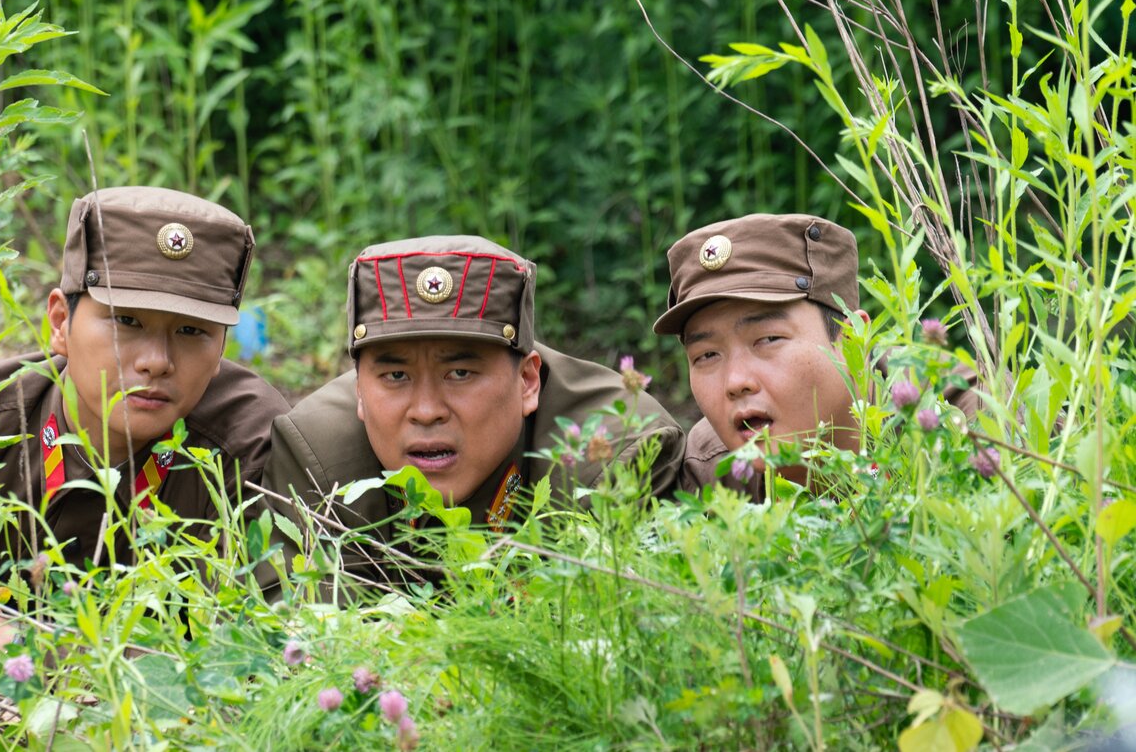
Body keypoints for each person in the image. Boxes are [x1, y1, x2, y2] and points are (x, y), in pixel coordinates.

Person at [257, 234, 684, 602]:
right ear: (359, 390)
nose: (427, 411)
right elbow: (307, 640)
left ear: (528, 381)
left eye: (460, 373)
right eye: (396, 376)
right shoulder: (319, 458)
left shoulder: (615, 456)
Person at [0, 186, 289, 577]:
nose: (157, 362)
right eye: (126, 321)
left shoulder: (250, 453)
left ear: (222, 348)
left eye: (191, 330)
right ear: (60, 323)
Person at [654, 213, 977, 501]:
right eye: (707, 355)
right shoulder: (710, 470)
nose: (736, 382)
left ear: (851, 340)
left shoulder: (964, 420)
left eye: (768, 339)